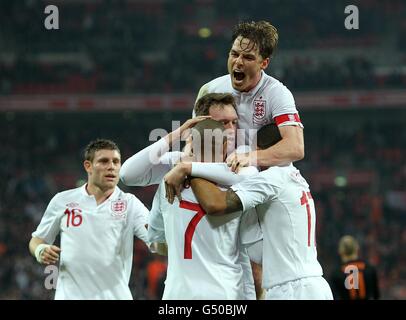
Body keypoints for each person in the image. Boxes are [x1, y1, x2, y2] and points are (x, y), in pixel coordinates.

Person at [120, 92, 262, 299]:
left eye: (234, 123)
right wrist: (177, 134)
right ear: (199, 125)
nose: (230, 130)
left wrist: (187, 168)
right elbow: (127, 174)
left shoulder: (240, 164)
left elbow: (249, 178)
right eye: (223, 123)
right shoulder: (177, 162)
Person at [188, 123, 333, 300]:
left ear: (260, 150)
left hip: (292, 289)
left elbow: (215, 204)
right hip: (311, 285)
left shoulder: (273, 178)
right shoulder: (296, 178)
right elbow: (258, 251)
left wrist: (190, 169)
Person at [29, 139, 151, 300]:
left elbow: (157, 242)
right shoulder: (62, 200)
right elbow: (37, 240)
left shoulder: (130, 203)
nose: (111, 167)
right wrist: (40, 250)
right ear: (88, 166)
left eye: (116, 162)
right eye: (104, 161)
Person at [194, 20, 304, 171]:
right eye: (234, 54)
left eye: (248, 57)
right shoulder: (210, 90)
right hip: (222, 173)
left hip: (266, 179)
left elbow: (295, 147)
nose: (238, 62)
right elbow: (195, 140)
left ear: (264, 63)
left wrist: (251, 157)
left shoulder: (277, 93)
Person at [330, 235, 380, 300]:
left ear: (340, 251)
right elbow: (376, 295)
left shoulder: (336, 274)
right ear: (357, 248)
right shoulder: (369, 269)